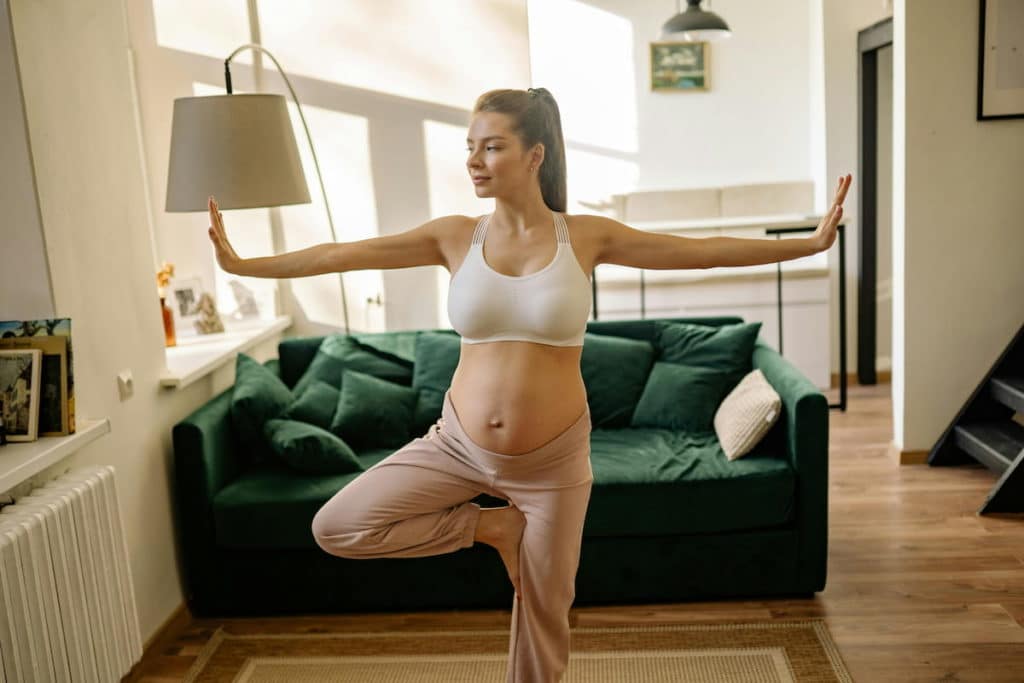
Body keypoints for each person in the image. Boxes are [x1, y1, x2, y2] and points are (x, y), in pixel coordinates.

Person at [206, 86, 852, 683]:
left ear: (534, 154)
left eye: (492, 146)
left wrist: (809, 244)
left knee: (543, 624)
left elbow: (698, 249)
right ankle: (492, 529)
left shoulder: (585, 237)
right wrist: (244, 263)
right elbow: (337, 254)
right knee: (337, 525)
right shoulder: (456, 235)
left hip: (553, 465)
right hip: (456, 446)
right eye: (470, 147)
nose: (475, 160)